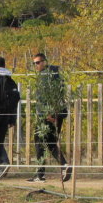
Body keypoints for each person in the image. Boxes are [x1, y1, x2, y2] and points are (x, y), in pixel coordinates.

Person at [27, 53, 72, 183]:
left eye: (38, 62)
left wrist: (47, 113)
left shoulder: (45, 76)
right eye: (34, 63)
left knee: (39, 140)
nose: (36, 65)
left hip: (48, 114)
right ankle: (64, 165)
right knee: (50, 141)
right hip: (59, 112)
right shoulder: (57, 74)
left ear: (44, 62)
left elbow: (42, 96)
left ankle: (40, 175)